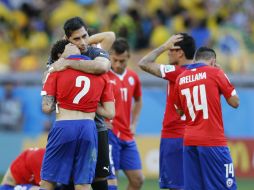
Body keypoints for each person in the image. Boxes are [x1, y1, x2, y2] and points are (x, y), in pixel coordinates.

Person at [45, 17, 116, 190]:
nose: (83, 42)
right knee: (71, 181)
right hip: (78, 127)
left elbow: (103, 65)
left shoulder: (94, 52)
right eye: (77, 38)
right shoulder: (57, 57)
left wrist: (68, 61)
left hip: (96, 127)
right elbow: (47, 76)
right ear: (67, 39)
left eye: (85, 36)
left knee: (99, 179)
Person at [174, 47, 239, 190]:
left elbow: (179, 111)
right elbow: (235, 102)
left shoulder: (180, 78)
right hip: (212, 141)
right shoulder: (215, 72)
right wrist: (222, 74)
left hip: (190, 141)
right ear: (213, 61)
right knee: (225, 186)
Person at [138, 33, 196, 190]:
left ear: (180, 52)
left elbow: (144, 63)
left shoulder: (176, 72)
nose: (168, 52)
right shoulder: (202, 74)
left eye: (171, 49)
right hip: (196, 137)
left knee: (175, 186)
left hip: (175, 137)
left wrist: (163, 46)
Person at [107, 38, 143, 190]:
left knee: (138, 180)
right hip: (110, 134)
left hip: (127, 135)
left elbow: (139, 101)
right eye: (115, 60)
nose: (117, 64)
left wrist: (133, 123)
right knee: (110, 182)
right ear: (110, 56)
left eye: (122, 61)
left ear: (128, 57)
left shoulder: (133, 77)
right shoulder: (104, 75)